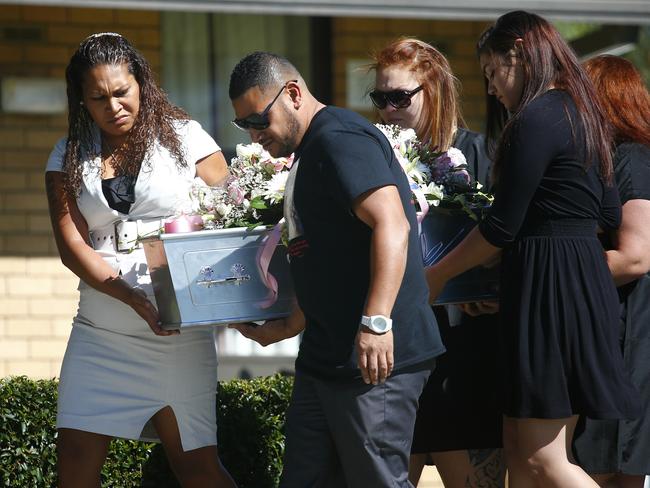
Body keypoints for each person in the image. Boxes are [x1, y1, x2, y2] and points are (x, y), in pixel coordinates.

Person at [425, 11, 640, 488]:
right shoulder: (583, 113)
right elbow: (607, 212)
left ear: (518, 52)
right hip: (575, 283)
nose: (493, 87)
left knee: (544, 461)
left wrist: (436, 275)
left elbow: (502, 226)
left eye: (492, 72)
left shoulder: (537, 117)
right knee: (522, 458)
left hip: (552, 288)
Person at [227, 51, 445, 487]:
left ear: (292, 94)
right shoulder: (312, 150)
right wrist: (292, 323)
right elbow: (326, 253)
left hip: (375, 362)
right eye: (243, 126)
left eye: (258, 121)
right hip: (326, 357)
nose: (254, 136)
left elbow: (393, 224)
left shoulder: (339, 138)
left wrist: (377, 322)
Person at [45, 33, 236, 488]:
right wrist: (129, 296)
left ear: (141, 84)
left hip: (177, 330)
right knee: (73, 458)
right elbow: (73, 246)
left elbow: (234, 213)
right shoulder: (66, 154)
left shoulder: (187, 137)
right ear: (82, 101)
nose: (112, 105)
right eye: (98, 97)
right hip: (101, 331)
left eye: (121, 91)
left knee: (194, 464)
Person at [369, 38, 504, 488]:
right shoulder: (371, 162)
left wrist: (491, 287)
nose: (388, 109)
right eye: (379, 97)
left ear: (435, 91)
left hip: (466, 355)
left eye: (399, 97)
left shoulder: (481, 154)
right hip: (398, 354)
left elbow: (506, 235)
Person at [572, 55, 650, 488]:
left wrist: (556, 276)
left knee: (605, 464)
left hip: (625, 334)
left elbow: (636, 256)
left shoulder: (631, 157)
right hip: (617, 328)